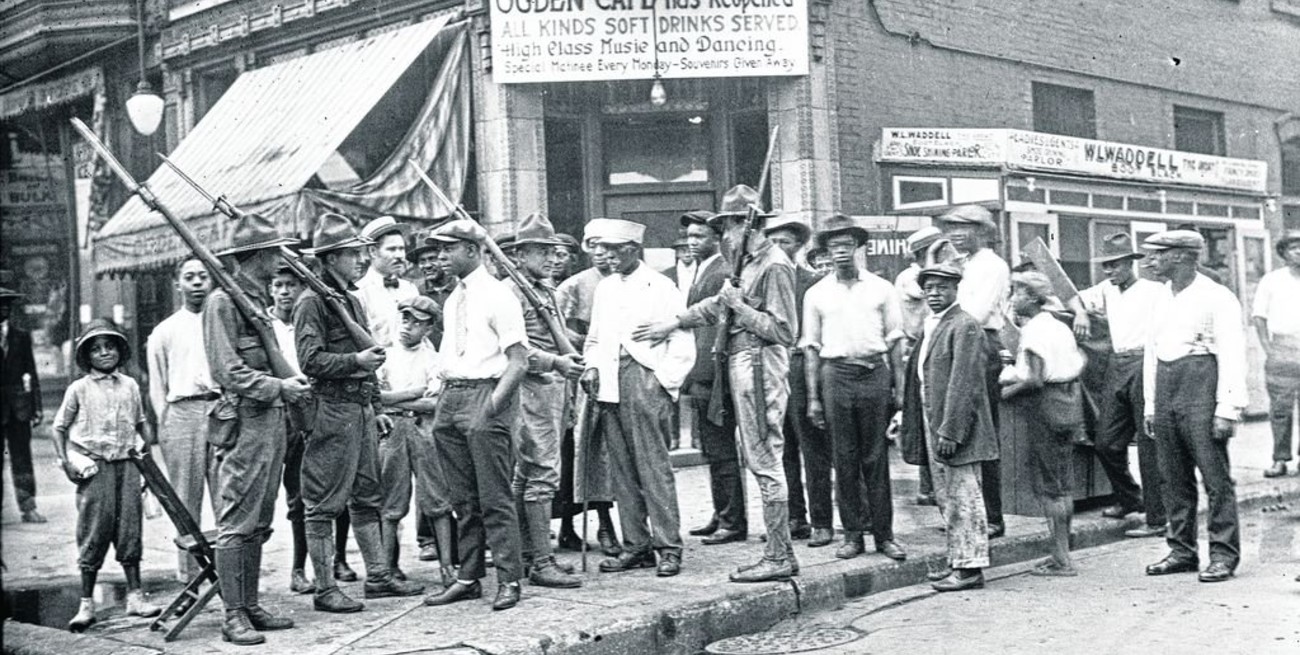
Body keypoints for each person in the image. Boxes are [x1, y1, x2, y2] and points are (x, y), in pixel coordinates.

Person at [638, 185, 799, 583]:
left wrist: (740, 307)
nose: (723, 234)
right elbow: (715, 306)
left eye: (727, 226)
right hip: (741, 363)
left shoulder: (774, 265)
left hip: (760, 364)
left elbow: (784, 331)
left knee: (765, 459)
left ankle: (779, 555)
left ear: (747, 224)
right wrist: (674, 322)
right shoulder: (744, 263)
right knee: (759, 458)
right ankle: (778, 552)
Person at [296, 212, 424, 614]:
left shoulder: (349, 299)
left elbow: (367, 356)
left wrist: (374, 405)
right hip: (331, 408)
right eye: (352, 253)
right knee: (322, 502)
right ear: (331, 258)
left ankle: (379, 577)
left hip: (360, 408)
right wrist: (355, 361)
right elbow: (309, 360)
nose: (361, 259)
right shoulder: (311, 302)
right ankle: (325, 588)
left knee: (368, 496)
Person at [203, 213, 311, 644]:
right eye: (275, 251)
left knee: (260, 519)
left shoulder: (253, 300)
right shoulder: (223, 303)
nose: (281, 258)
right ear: (260, 255)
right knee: (237, 520)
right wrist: (278, 387)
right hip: (245, 421)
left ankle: (249, 604)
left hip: (270, 422)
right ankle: (233, 615)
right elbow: (227, 370)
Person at [421, 218, 530, 611]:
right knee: (462, 500)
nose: (440, 256)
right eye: (438, 249)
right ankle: (468, 578)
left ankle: (509, 579)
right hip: (451, 399)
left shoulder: (500, 296)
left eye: (448, 249)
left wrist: (492, 408)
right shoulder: (454, 298)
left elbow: (519, 361)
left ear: (471, 250)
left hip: (484, 395)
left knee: (494, 498)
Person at [583, 218, 694, 578]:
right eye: (603, 250)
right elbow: (595, 338)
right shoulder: (605, 288)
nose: (607, 256)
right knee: (622, 471)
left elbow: (682, 340)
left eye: (614, 250)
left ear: (633, 249)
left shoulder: (660, 286)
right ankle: (636, 546)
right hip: (609, 384)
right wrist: (591, 366)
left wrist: (662, 383)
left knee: (653, 468)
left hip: (644, 379)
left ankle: (668, 547)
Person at [1142, 230, 1247, 583]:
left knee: (1215, 478)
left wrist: (1227, 408)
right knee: (1172, 476)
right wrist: (1150, 404)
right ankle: (1182, 550)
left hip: (1201, 385)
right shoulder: (1160, 296)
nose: (1150, 261)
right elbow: (1152, 352)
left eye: (1157, 254)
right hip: (1167, 386)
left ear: (1180, 256)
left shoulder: (1217, 297)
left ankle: (1223, 554)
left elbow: (1232, 353)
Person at [802, 214, 908, 562]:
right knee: (843, 458)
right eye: (835, 247)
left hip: (874, 374)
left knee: (876, 458)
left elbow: (895, 342)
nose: (841, 252)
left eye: (847, 245)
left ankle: (884, 535)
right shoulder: (816, 294)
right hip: (836, 376)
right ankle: (852, 535)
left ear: (858, 247)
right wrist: (814, 399)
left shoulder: (882, 288)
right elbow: (811, 349)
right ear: (826, 252)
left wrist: (899, 389)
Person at [53, 319, 162, 632]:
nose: (104, 353)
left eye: (110, 346)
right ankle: (86, 603)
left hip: (127, 466)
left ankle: (135, 596)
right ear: (86, 355)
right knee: (94, 530)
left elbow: (141, 423)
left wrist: (147, 457)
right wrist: (66, 462)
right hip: (95, 468)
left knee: (130, 529)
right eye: (96, 349)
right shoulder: (78, 389)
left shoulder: (130, 386)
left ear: (120, 350)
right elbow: (59, 428)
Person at [499, 213, 585, 589]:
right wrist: (557, 362)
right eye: (541, 251)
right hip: (530, 389)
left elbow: (555, 336)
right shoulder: (511, 292)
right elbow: (515, 351)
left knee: (529, 474)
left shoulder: (543, 289)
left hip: (553, 389)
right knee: (541, 475)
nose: (551, 258)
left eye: (553, 251)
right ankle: (542, 561)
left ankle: (527, 554)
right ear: (519, 255)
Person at [900, 263, 996, 592]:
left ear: (956, 289)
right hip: (934, 422)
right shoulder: (934, 324)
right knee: (948, 499)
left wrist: (952, 431)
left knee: (964, 498)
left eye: (942, 287)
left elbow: (965, 382)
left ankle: (970, 569)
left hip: (956, 429)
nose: (934, 294)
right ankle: (959, 560)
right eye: (929, 288)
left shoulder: (964, 325)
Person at [1076, 233, 1167, 538]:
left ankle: (1157, 518)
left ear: (1130, 263)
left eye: (1114, 265)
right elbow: (1073, 297)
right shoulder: (1106, 289)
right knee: (1106, 441)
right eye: (1105, 266)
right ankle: (1130, 498)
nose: (1109, 271)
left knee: (1149, 445)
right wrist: (1080, 313)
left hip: (1145, 361)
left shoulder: (1154, 291)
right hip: (1117, 363)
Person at [999, 272, 1087, 578]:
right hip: (1068, 403)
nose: (1013, 299)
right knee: (1063, 484)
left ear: (1033, 298)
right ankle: (1062, 553)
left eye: (1018, 293)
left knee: (1050, 487)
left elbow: (1034, 379)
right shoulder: (1059, 326)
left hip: (1046, 407)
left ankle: (1061, 560)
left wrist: (1005, 393)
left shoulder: (1034, 331)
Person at [146, 257, 221, 582]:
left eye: (203, 276)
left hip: (220, 409)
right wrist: (164, 421)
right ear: (177, 284)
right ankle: (190, 575)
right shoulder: (164, 331)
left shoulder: (222, 323)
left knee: (226, 495)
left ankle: (229, 572)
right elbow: (157, 384)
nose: (197, 283)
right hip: (181, 413)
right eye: (189, 277)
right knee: (185, 499)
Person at [935, 204, 1007, 538]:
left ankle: (993, 516)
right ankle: (964, 510)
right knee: (953, 423)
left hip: (979, 344)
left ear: (981, 231)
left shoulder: (993, 266)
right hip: (954, 340)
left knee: (981, 428)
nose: (956, 235)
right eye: (951, 229)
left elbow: (975, 314)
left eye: (963, 228)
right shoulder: (962, 264)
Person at [677, 209, 747, 545]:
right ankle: (722, 514)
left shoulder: (721, 271)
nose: (692, 242)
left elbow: (711, 329)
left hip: (713, 375)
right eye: (689, 236)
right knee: (712, 449)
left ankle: (732, 520)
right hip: (703, 375)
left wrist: (700, 372)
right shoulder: (702, 270)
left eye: (699, 236)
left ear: (717, 238)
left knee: (721, 449)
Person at [376, 296, 455, 587]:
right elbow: (376, 398)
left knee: (437, 499)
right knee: (391, 502)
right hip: (393, 429)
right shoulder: (384, 355)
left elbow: (435, 403)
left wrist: (395, 400)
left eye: (417, 323)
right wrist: (413, 393)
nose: (408, 326)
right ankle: (387, 569)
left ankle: (447, 567)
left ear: (429, 328)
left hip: (423, 429)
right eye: (405, 319)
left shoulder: (434, 359)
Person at [553, 222, 622, 556]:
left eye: (605, 246)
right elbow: (559, 333)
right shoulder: (573, 286)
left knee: (606, 455)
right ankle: (570, 526)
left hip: (617, 374)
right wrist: (592, 342)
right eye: (593, 245)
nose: (600, 253)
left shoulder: (628, 283)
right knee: (574, 453)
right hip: (579, 379)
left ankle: (610, 523)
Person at [765, 214, 829, 546]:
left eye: (785, 242)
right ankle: (794, 517)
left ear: (799, 245)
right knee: (782, 448)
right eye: (773, 241)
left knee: (812, 447)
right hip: (771, 368)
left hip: (802, 367)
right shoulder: (763, 278)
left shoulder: (814, 282)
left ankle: (821, 520)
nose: (778, 247)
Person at [264, 264, 318, 594]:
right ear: (270, 290)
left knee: (302, 493)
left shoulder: (307, 321)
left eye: (291, 285)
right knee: (263, 493)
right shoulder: (263, 324)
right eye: (278, 285)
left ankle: (300, 569)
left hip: (304, 409)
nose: (285, 292)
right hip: (272, 408)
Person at [894, 226, 943, 507]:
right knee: (924, 414)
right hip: (915, 348)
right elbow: (924, 290)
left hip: (927, 345)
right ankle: (928, 486)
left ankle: (930, 486)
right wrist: (934, 259)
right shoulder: (909, 277)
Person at [1253, 230, 1300, 478]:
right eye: (1293, 247)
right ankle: (1280, 459)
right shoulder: (1272, 280)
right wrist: (1268, 348)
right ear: (1283, 252)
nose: (1299, 251)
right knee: (1281, 408)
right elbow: (1259, 316)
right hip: (1282, 348)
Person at [1, 285, 46, 524]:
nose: (4, 308)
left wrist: (36, 407)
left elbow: (32, 373)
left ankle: (28, 506)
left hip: (19, 408)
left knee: (22, 459)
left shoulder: (21, 336)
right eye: (0, 304)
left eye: (7, 304)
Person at [356, 216, 416, 349]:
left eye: (401, 249)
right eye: (392, 249)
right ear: (372, 251)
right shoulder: (359, 293)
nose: (399, 256)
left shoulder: (410, 289)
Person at [667, 234, 697, 302]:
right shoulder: (667, 274)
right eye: (683, 251)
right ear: (677, 253)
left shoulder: (703, 271)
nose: (687, 254)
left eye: (690, 251)